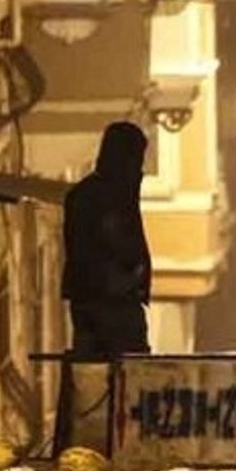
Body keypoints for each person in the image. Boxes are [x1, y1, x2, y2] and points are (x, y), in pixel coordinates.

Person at [62, 121, 152, 357]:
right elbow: (113, 244)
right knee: (124, 368)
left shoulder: (90, 194)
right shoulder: (108, 196)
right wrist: (129, 276)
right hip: (108, 305)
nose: (140, 171)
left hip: (100, 302)